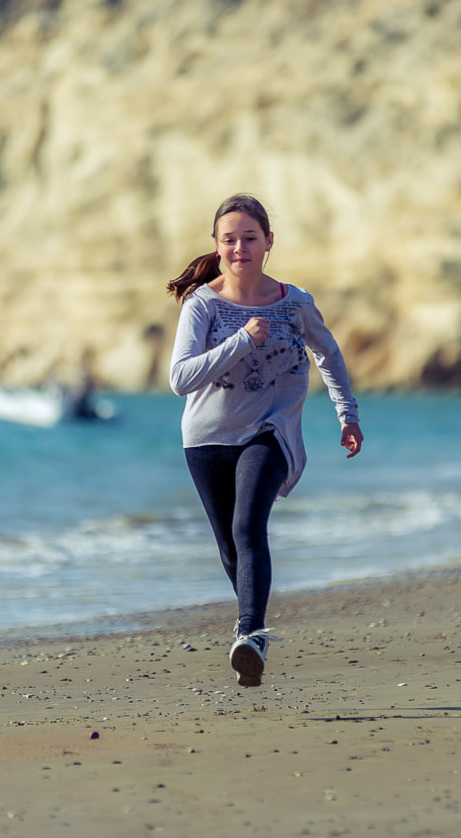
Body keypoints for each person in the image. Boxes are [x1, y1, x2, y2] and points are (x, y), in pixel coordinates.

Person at [167, 194, 364, 687]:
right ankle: (249, 637)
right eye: (229, 240)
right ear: (216, 246)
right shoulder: (202, 305)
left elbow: (330, 355)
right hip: (207, 439)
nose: (239, 248)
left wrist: (348, 414)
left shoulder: (295, 302)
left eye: (249, 238)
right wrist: (241, 340)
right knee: (230, 546)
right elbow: (180, 379)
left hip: (270, 431)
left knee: (248, 525)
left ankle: (250, 635)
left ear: (269, 242)